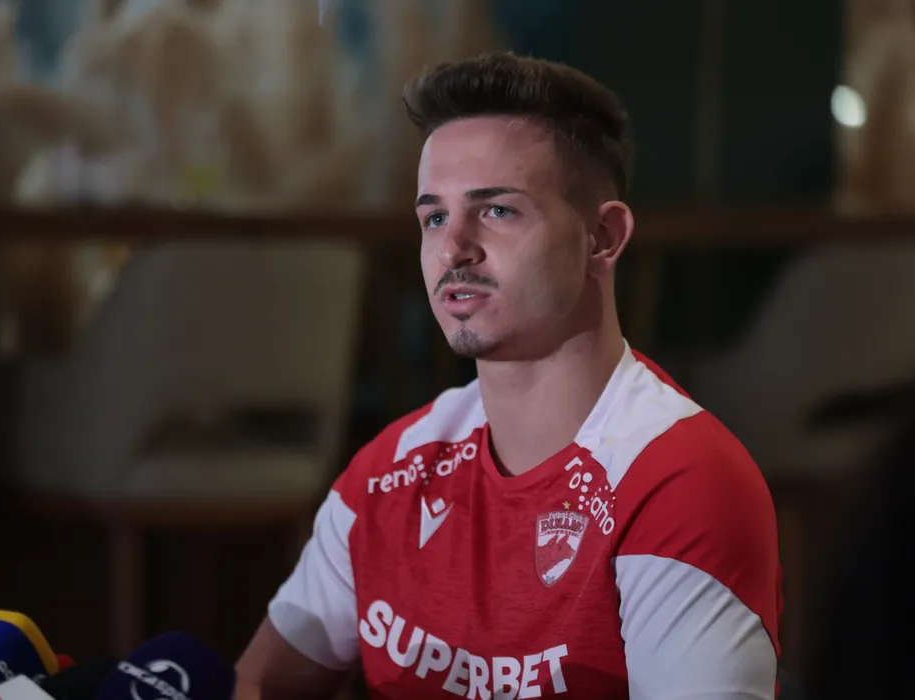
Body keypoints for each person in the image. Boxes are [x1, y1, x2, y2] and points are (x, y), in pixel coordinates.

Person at [235, 52, 782, 700]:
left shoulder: (678, 482)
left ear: (603, 237)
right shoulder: (390, 471)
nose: (453, 248)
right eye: (434, 217)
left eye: (496, 211)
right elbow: (258, 684)